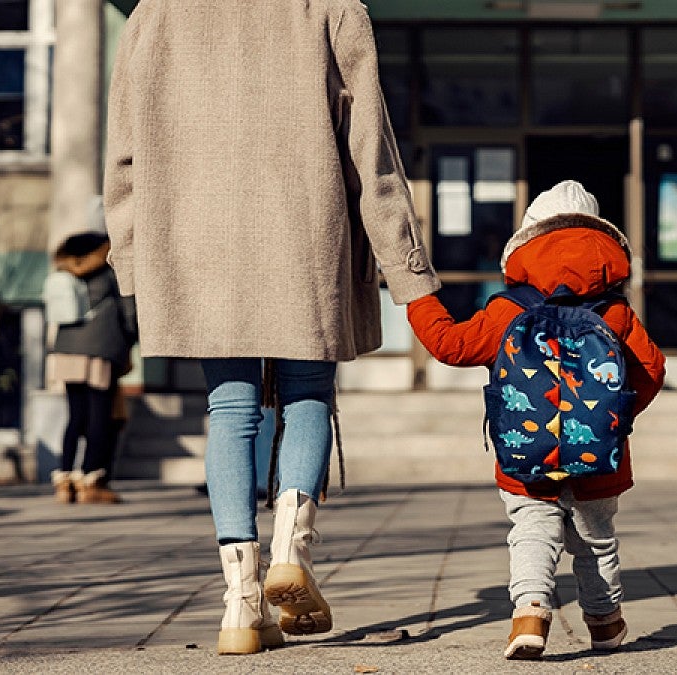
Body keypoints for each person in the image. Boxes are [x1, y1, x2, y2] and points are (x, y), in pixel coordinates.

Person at [104, 0, 440, 656]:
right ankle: (291, 550)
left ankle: (239, 602)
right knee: (308, 391)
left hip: (197, 241)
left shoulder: (155, 13)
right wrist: (408, 270)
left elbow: (123, 156)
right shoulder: (332, 8)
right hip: (303, 228)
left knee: (229, 408)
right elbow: (370, 150)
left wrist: (131, 261)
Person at [407, 180, 666, 659]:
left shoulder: (508, 309)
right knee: (596, 540)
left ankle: (528, 616)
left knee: (532, 530)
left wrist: (416, 297)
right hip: (600, 456)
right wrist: (616, 420)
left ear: (526, 247)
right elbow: (652, 369)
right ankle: (606, 625)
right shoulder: (616, 312)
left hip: (524, 451)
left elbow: (450, 346)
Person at [44, 203, 138, 505]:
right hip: (100, 348)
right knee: (99, 416)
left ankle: (65, 479)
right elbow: (128, 310)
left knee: (75, 416)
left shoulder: (65, 264)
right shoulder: (109, 264)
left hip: (67, 349)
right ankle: (91, 480)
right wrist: (131, 339)